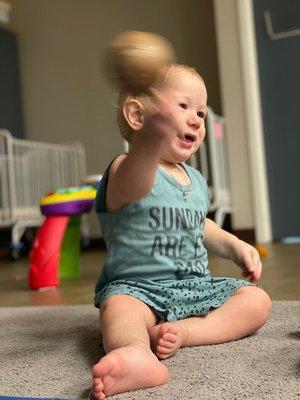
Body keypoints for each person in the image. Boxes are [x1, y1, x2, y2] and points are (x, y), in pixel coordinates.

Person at [91, 64, 272, 399]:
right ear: (137, 116)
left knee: (256, 301)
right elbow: (136, 182)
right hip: (137, 289)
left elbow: (201, 224)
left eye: (201, 112)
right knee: (119, 311)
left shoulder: (196, 180)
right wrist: (149, 140)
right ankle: (135, 353)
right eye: (183, 106)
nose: (197, 119)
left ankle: (184, 333)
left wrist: (234, 245)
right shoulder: (126, 169)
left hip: (193, 289)